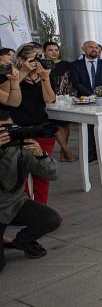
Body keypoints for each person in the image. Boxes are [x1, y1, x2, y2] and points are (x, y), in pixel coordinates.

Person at [0, 110, 63, 273]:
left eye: (11, 128)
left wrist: (41, 155)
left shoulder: (21, 147)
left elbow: (53, 174)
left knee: (51, 219)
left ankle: (23, 241)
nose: (8, 134)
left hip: (15, 204)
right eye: (2, 131)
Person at [9, 44, 57, 204]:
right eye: (35, 57)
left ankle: (41, 207)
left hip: (41, 128)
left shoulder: (45, 74)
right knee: (20, 174)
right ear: (22, 59)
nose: (39, 61)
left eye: (41, 57)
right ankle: (23, 207)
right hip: (19, 130)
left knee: (42, 173)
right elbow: (8, 96)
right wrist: (23, 72)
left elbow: (49, 99)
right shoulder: (12, 75)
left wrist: (45, 77)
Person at [70, 40, 102, 162]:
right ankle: (90, 154)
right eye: (90, 47)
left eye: (96, 47)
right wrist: (91, 94)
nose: (94, 49)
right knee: (87, 127)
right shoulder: (75, 65)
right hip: (84, 100)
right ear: (83, 49)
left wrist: (100, 92)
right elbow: (76, 83)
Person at [43, 42, 76, 162]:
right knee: (57, 125)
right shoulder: (42, 65)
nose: (54, 52)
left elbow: (71, 81)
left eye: (56, 50)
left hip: (65, 98)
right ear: (44, 52)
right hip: (49, 99)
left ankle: (63, 151)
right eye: (50, 50)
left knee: (66, 125)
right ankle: (67, 150)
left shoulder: (66, 64)